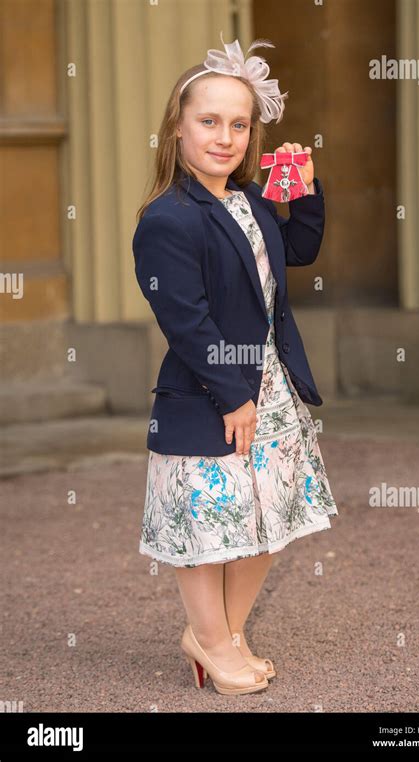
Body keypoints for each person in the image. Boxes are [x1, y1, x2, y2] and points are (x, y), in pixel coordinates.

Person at [132, 31, 338, 696]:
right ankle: (215, 643)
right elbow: (184, 318)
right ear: (178, 128)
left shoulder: (249, 202)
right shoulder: (169, 218)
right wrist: (230, 393)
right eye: (208, 121)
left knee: (270, 519)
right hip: (212, 389)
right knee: (209, 523)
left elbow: (296, 252)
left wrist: (302, 191)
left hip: (270, 384)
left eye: (239, 124)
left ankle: (221, 635)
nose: (224, 136)